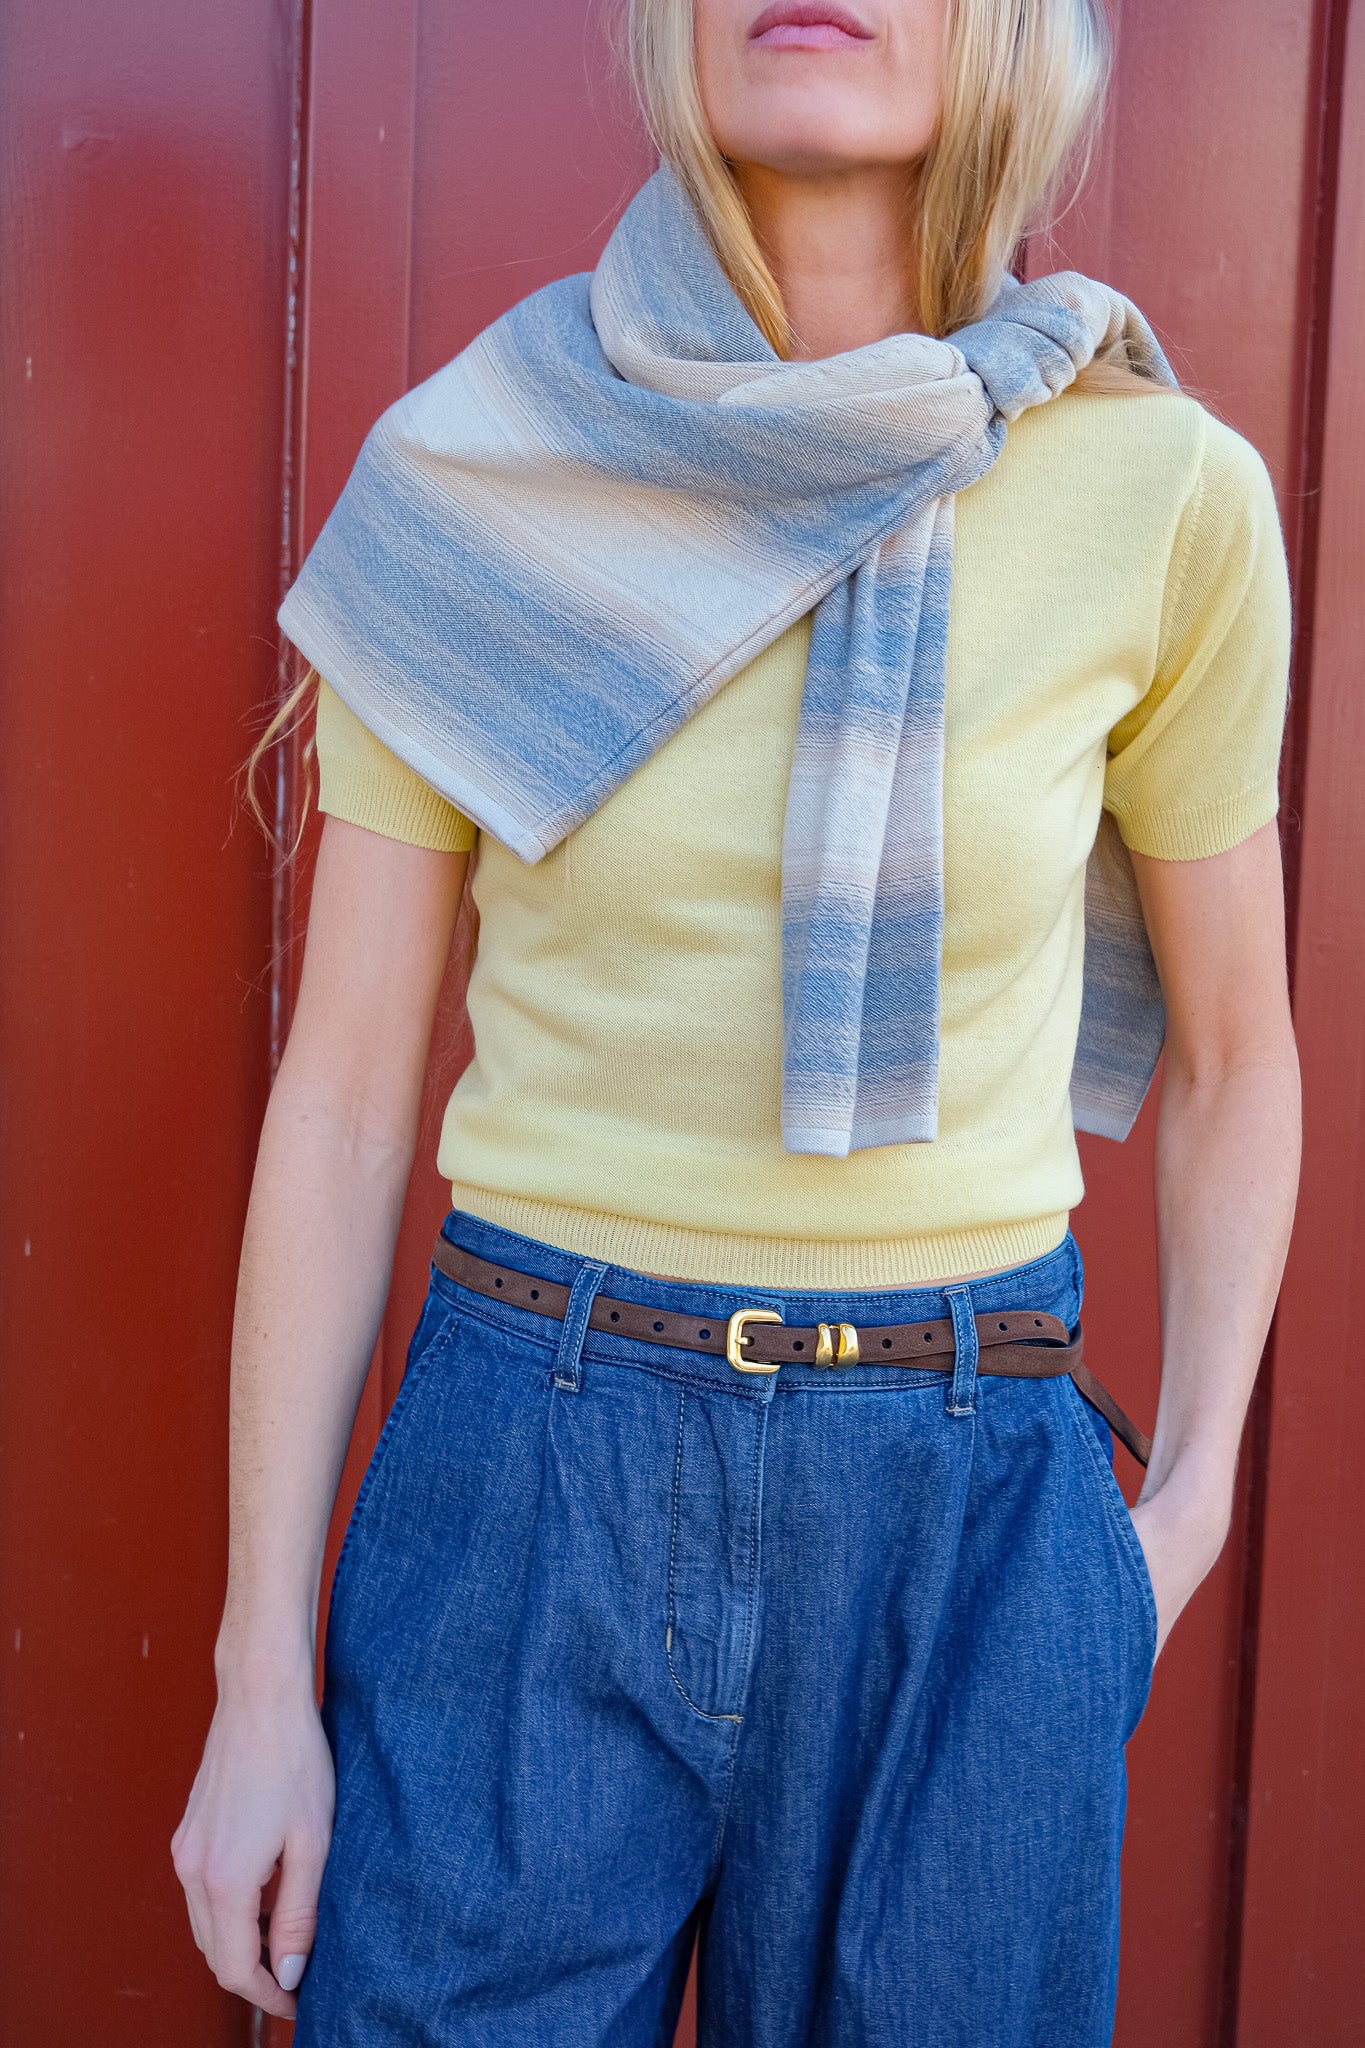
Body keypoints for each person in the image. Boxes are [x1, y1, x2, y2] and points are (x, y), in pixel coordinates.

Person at [172, 2, 1300, 2042]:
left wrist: (1183, 1511)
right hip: (532, 1465)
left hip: (965, 1517)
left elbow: (1236, 1054)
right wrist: (263, 1674)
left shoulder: (1162, 495)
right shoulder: (474, 464)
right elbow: (341, 1099)